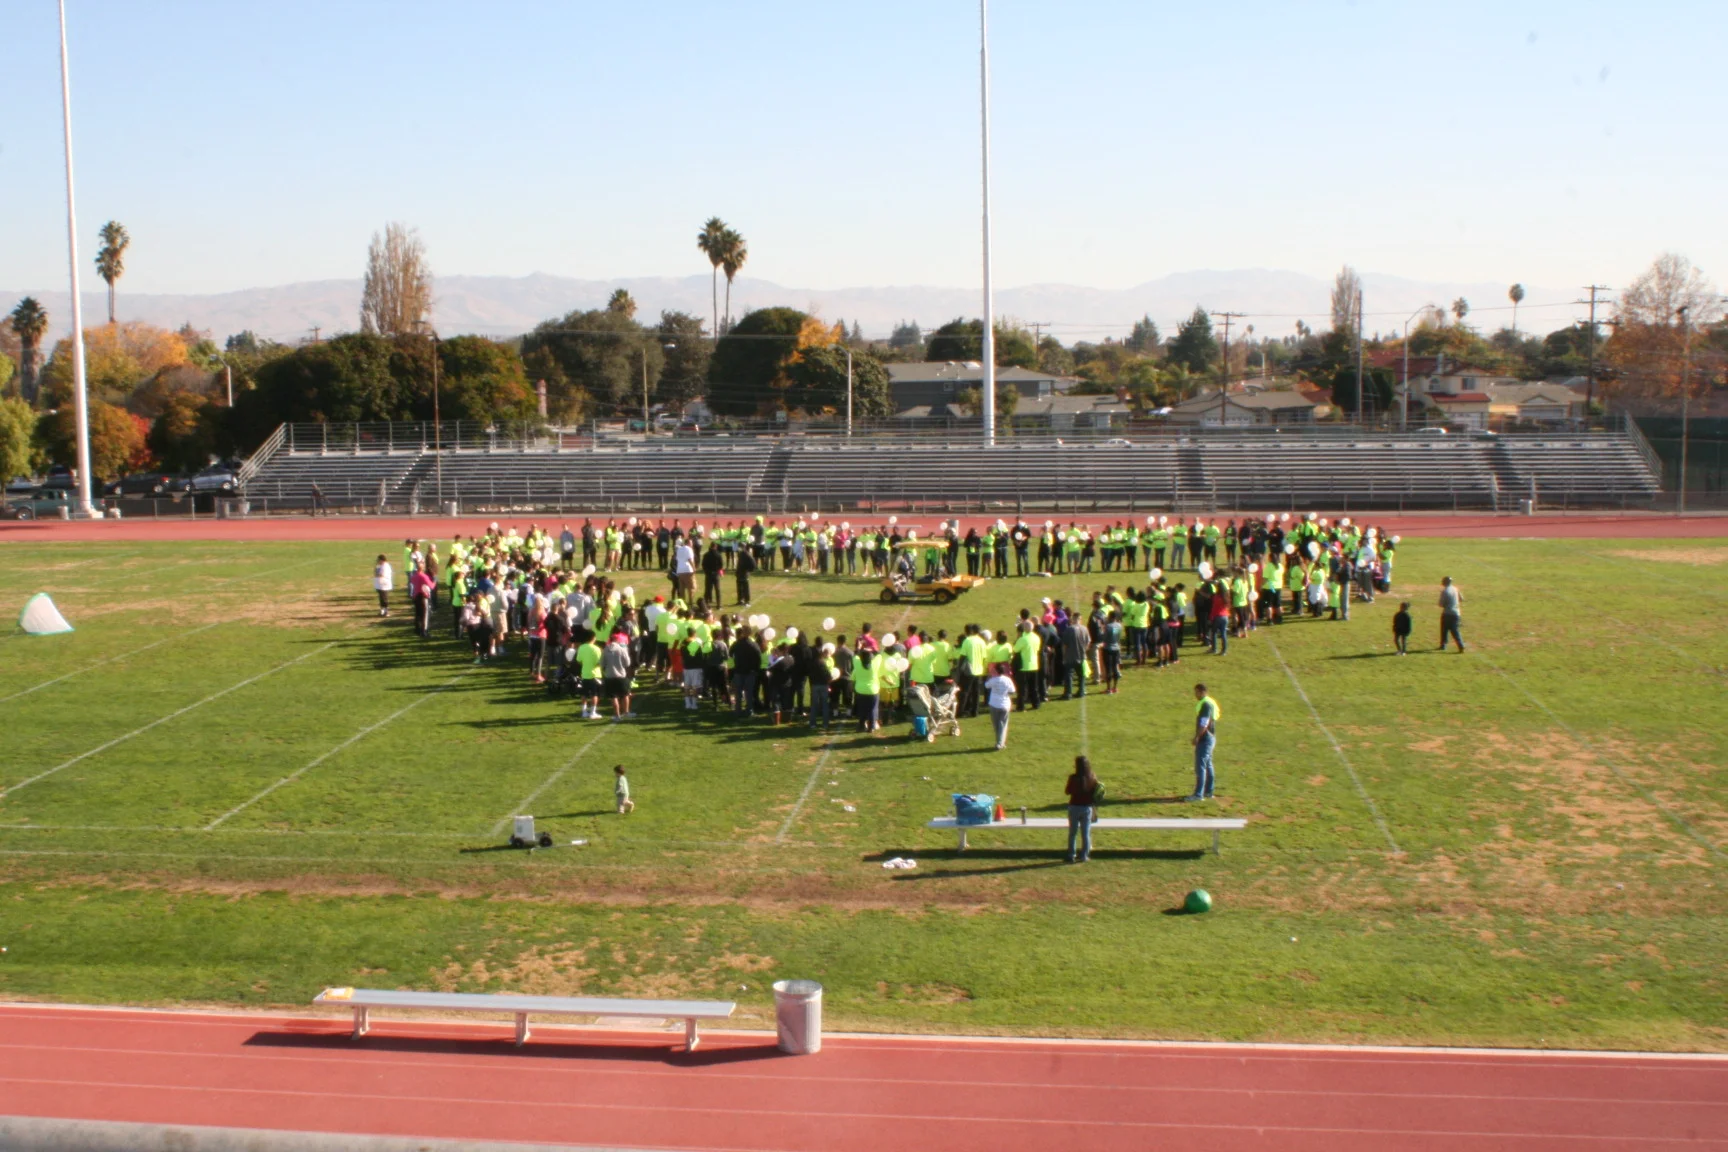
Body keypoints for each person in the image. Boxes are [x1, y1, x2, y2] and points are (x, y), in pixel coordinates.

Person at [1064, 755, 1102, 863]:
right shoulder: (1092, 777)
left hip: (1074, 807)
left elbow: (1067, 791)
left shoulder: (1073, 778)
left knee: (1073, 833)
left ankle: (1071, 855)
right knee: (1085, 833)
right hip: (1087, 808)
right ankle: (1084, 856)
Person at [1188, 682, 1219, 802]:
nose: (1195, 695)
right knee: (1208, 764)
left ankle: (1198, 795)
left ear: (1202, 692)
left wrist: (1197, 737)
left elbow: (1204, 722)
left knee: (1200, 766)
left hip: (1205, 738)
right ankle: (1208, 792)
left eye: (1197, 692)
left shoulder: (1205, 704)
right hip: (1211, 737)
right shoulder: (1210, 702)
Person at [983, 662, 1016, 750]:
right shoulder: (1007, 680)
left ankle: (999, 743)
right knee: (1003, 724)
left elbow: (986, 685)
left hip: (994, 704)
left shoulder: (993, 680)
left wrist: (989, 676)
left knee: (996, 725)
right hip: (1005, 704)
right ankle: (1001, 742)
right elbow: (1012, 690)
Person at [1438, 576, 1464, 652]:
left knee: (1444, 629)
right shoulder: (1455, 589)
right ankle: (1460, 645)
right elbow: (1461, 599)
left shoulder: (1445, 591)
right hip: (1456, 613)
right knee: (1454, 630)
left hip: (1447, 613)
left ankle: (1444, 644)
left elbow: (1441, 604)